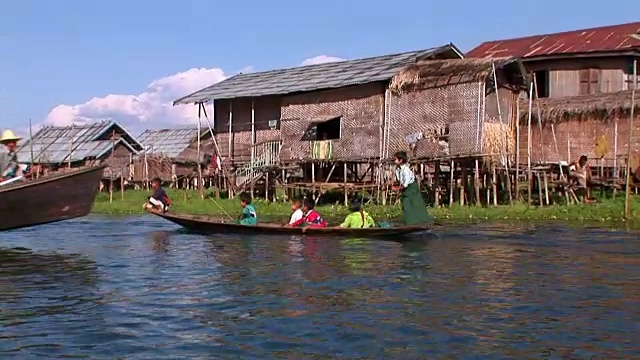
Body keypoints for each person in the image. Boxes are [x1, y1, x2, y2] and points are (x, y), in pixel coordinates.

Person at [392, 151, 431, 225]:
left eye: (395, 159)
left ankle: (421, 221)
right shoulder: (397, 169)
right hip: (406, 189)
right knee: (406, 205)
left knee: (416, 205)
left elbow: (405, 184)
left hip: (412, 188)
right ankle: (410, 222)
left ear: (401, 160)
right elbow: (399, 180)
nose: (394, 161)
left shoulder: (405, 170)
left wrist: (396, 189)